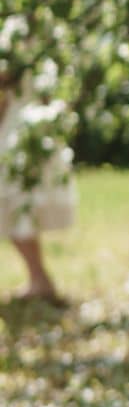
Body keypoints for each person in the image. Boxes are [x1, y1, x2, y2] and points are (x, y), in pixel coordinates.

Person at [0, 67, 75, 307]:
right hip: (22, 122)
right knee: (16, 202)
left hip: (21, 125)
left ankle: (39, 278)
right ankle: (39, 278)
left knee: (16, 200)